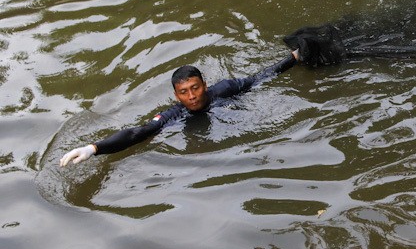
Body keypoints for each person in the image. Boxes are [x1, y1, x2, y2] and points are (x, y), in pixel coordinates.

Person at [59, 49, 301, 166]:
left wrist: (293, 59)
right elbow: (137, 132)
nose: (192, 97)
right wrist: (93, 148)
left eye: (195, 88)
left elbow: (261, 77)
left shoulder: (224, 89)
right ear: (176, 95)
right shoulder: (174, 114)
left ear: (204, 85)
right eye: (184, 92)